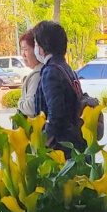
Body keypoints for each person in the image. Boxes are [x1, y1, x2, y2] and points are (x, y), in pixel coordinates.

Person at [29, 20, 85, 153]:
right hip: (74, 140)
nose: (35, 48)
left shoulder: (51, 71)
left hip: (61, 146)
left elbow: (55, 112)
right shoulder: (65, 67)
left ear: (43, 46)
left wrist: (45, 141)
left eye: (36, 43)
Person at [17, 30, 42, 118]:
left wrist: (20, 102)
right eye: (22, 50)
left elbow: (30, 107)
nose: (23, 54)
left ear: (37, 50)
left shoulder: (37, 75)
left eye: (26, 49)